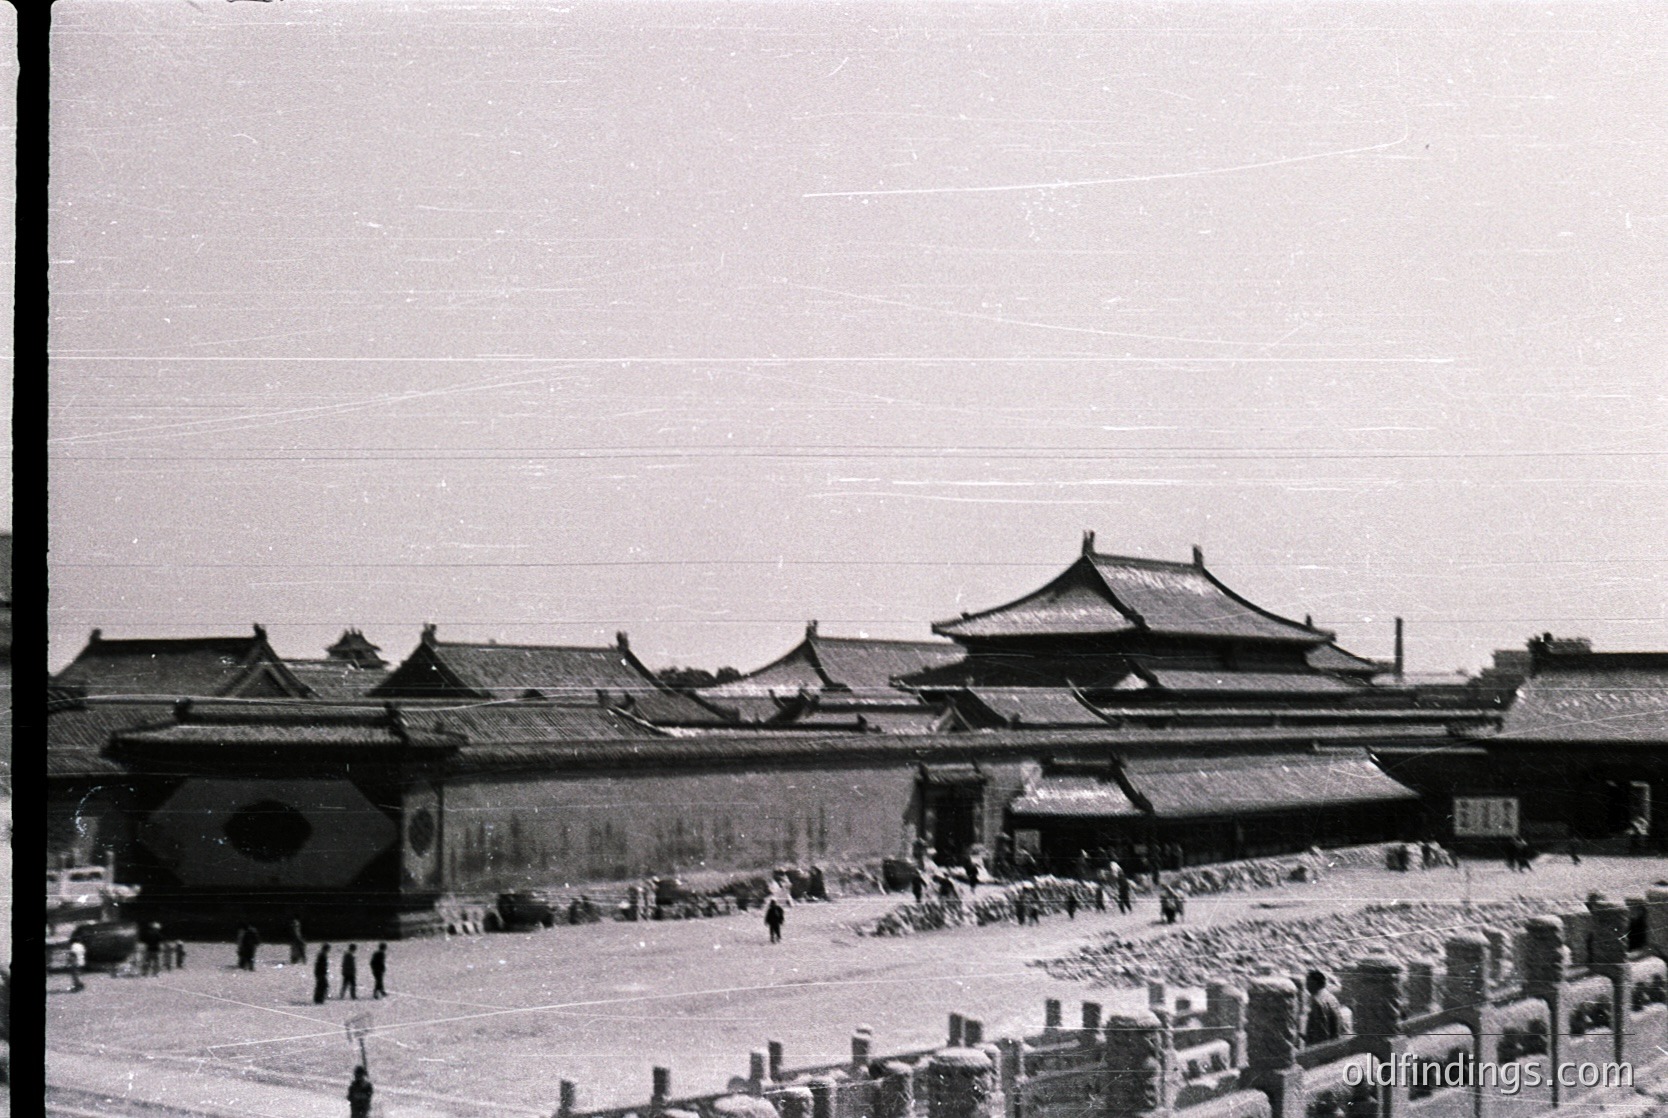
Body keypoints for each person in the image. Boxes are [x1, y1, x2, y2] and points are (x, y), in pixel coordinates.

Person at [1303, 970, 1344, 1045]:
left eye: (1308, 982)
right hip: (1335, 1043)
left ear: (1314, 983)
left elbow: (1320, 1031)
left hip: (1322, 1047)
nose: (1306, 986)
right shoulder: (1331, 997)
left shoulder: (1317, 1001)